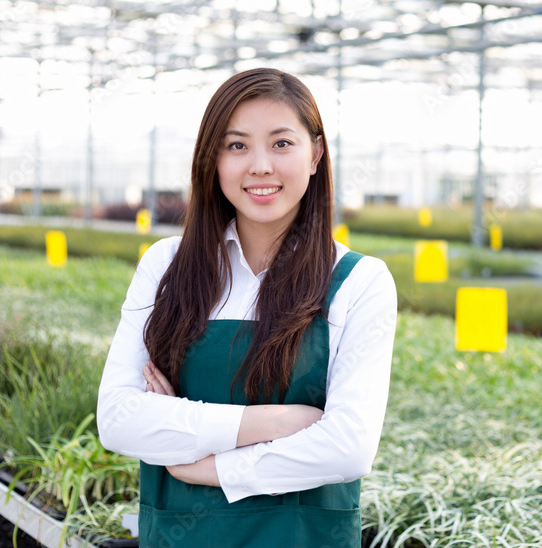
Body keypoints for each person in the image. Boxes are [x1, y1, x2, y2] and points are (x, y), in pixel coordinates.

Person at [97, 68, 398, 547]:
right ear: (212, 159)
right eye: (236, 145)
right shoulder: (166, 266)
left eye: (282, 144)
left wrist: (206, 466)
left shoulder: (359, 281)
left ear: (316, 154)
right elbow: (117, 419)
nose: (260, 165)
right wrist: (276, 422)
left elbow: (347, 450)